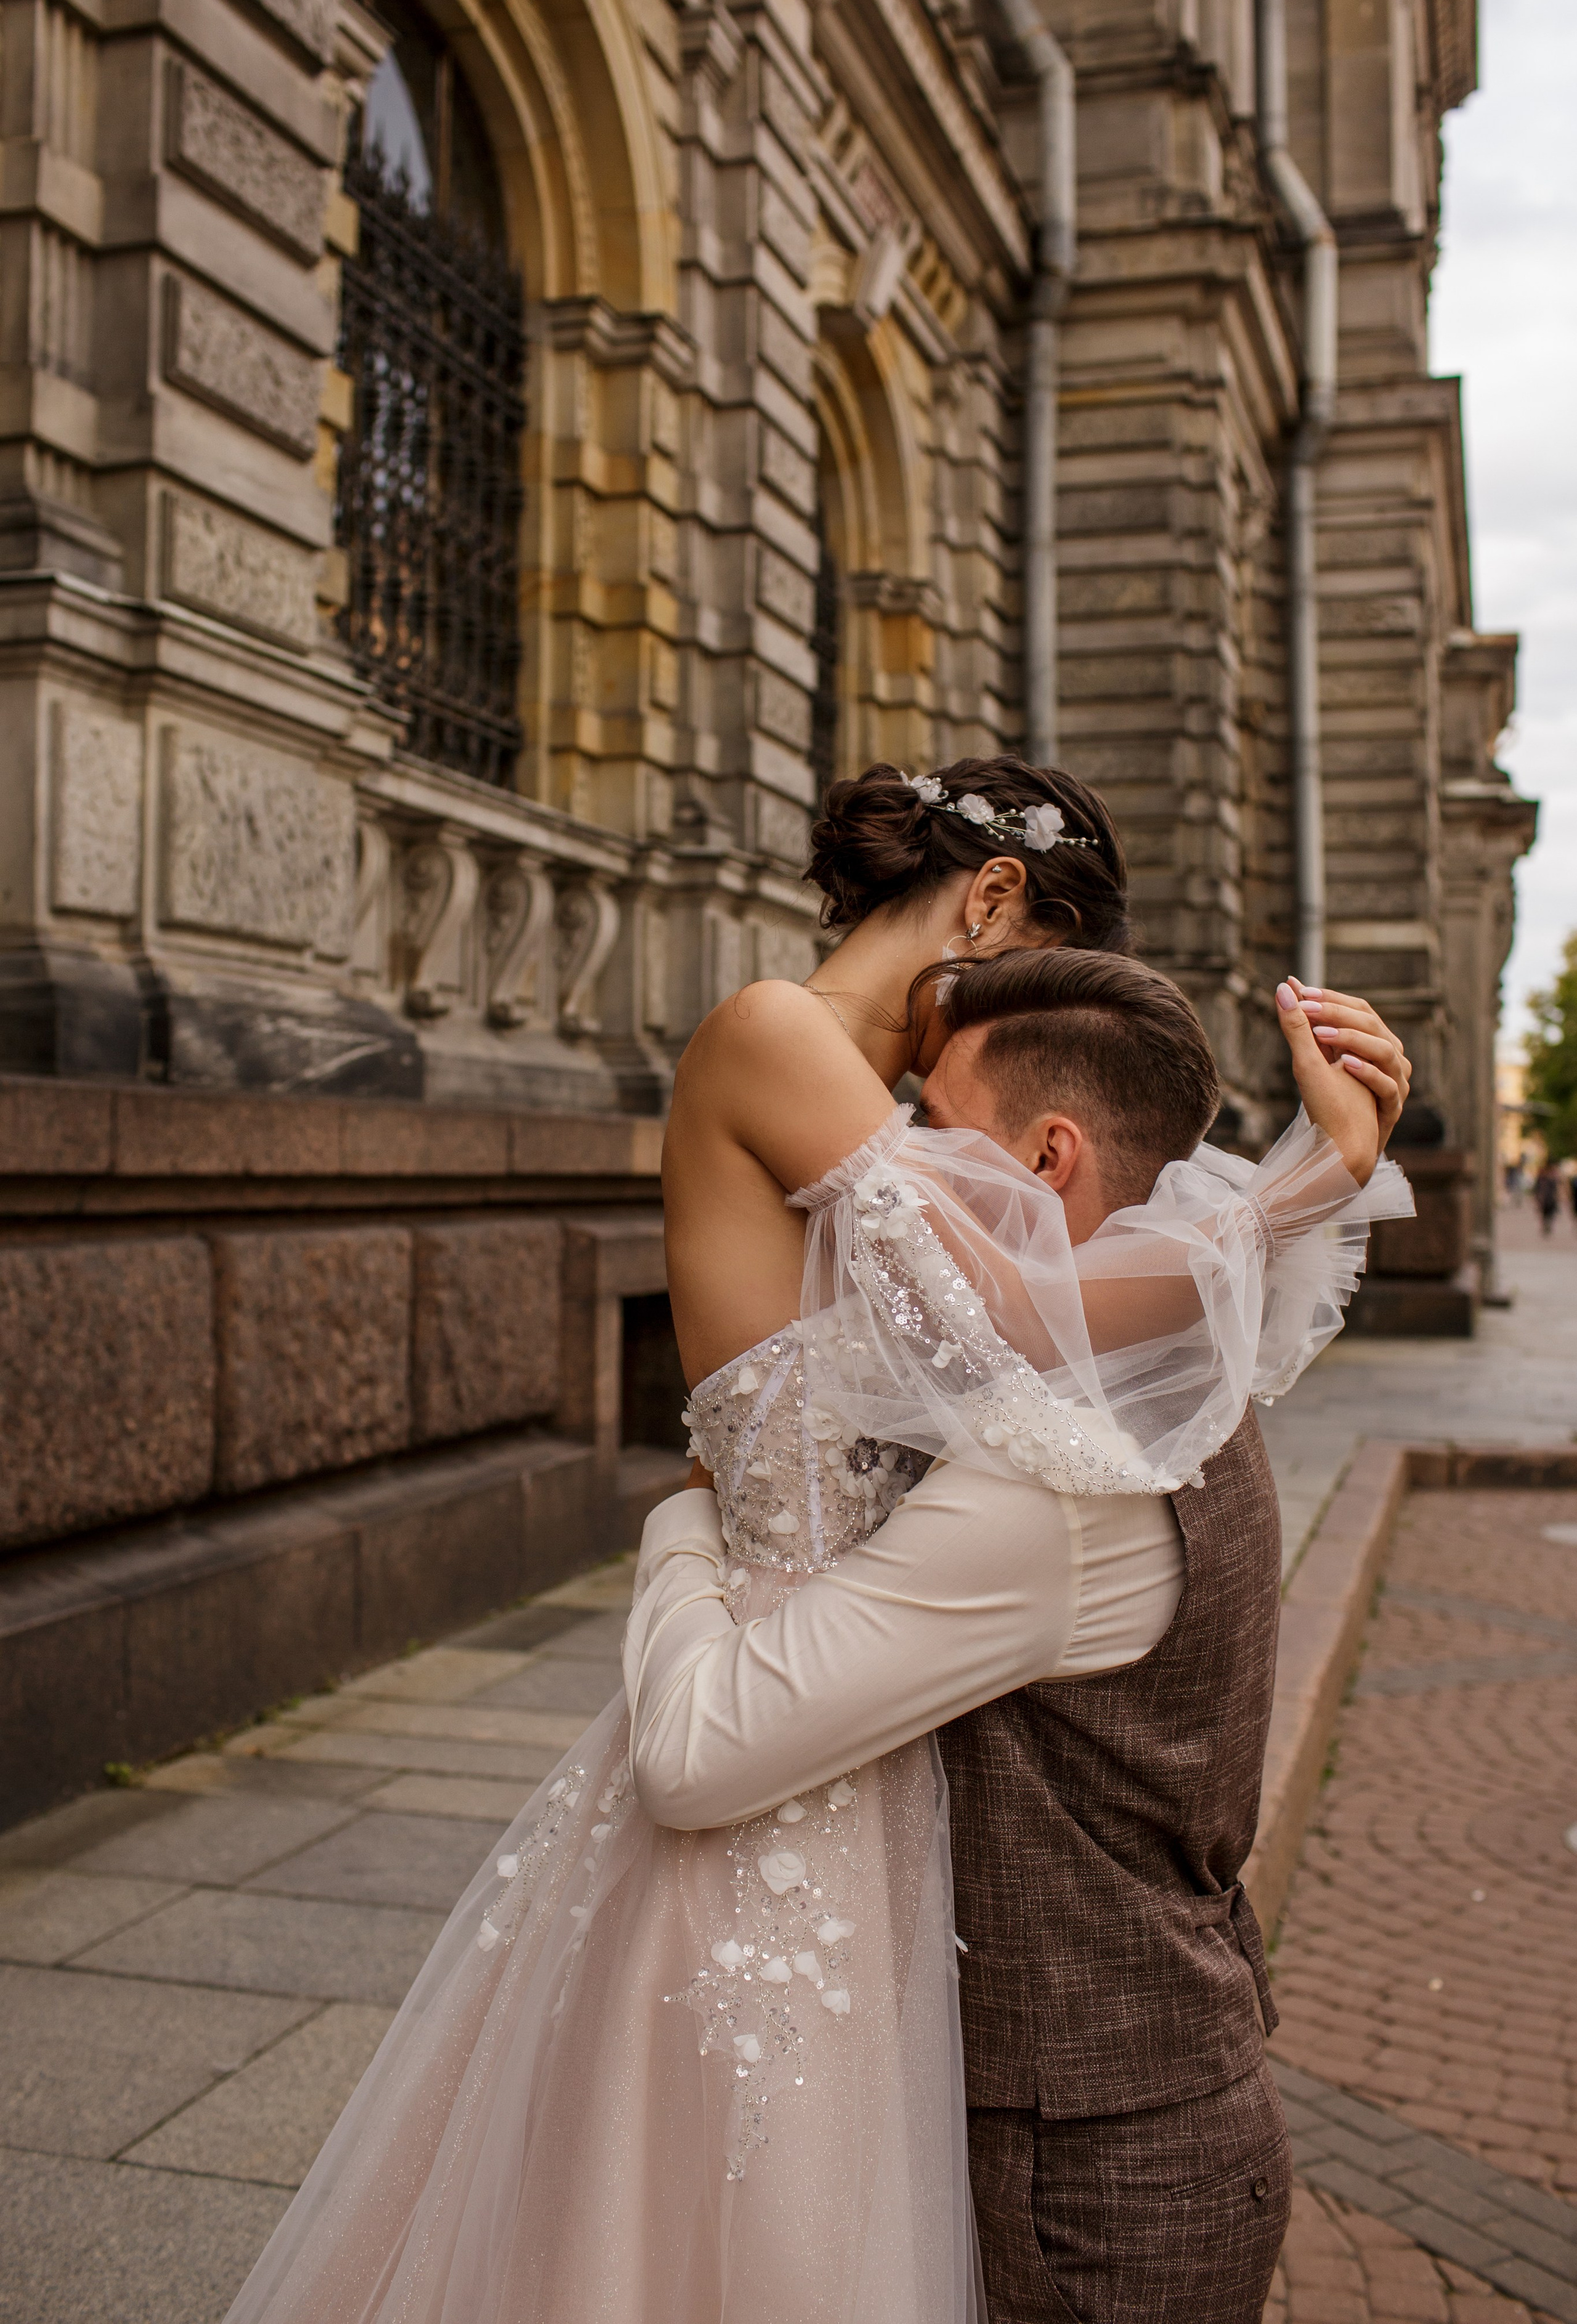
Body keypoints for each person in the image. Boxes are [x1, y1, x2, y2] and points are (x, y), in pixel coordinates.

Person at [220, 761, 1411, 2324]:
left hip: (877, 1737)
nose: (1012, 1007)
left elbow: (1042, 1294)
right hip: (761, 1705)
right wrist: (1302, 1188)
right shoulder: (770, 1030)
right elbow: (1004, 1312)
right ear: (985, 900)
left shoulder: (908, 1124)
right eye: (1025, 949)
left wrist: (1297, 1192)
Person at [626, 942, 1411, 2324]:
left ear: (1046, 1163)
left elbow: (695, 1749)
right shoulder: (1173, 1395)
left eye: (929, 1128)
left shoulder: (1048, 1483)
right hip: (1155, 2100)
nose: (879, 1171)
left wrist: (688, 1518)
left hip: (1084, 2186)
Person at [1535, 1162, 1560, 1236]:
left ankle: (1548, 1225)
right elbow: (1537, 1190)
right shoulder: (1541, 1180)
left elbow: (1556, 1189)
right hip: (1545, 1200)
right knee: (1545, 1214)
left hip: (1550, 1199)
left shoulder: (1552, 1180)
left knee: (1550, 1213)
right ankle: (1546, 1225)